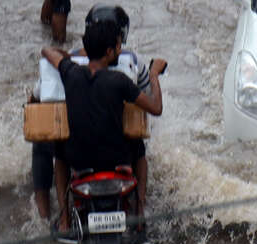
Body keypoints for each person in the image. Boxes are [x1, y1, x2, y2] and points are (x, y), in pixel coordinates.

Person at [41, 17, 165, 232]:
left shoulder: (70, 73)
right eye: (118, 46)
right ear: (109, 52)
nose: (120, 49)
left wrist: (70, 57)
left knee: (59, 150)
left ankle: (64, 219)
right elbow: (156, 108)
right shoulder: (119, 81)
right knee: (139, 146)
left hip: (79, 162)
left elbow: (47, 51)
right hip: (116, 160)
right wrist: (154, 74)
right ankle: (140, 211)